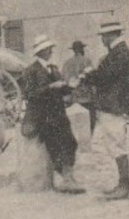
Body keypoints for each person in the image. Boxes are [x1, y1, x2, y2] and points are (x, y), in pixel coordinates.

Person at [22, 35, 84, 194]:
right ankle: (66, 179)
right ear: (40, 51)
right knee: (55, 143)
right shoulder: (31, 71)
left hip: (58, 113)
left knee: (71, 142)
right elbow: (29, 94)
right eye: (47, 49)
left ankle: (69, 176)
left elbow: (61, 89)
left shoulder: (54, 69)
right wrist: (51, 87)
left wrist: (69, 86)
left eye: (50, 48)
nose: (50, 51)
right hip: (42, 116)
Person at [81, 20, 129, 200]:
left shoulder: (119, 53)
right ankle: (123, 185)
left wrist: (89, 75)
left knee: (116, 143)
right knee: (114, 143)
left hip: (114, 105)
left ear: (111, 35)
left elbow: (106, 77)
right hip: (112, 104)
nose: (102, 39)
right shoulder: (116, 52)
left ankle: (124, 186)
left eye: (104, 36)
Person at [61, 40, 96, 133]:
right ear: (82, 49)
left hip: (72, 99)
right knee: (89, 125)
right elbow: (93, 78)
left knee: (74, 125)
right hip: (86, 98)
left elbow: (64, 79)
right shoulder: (87, 61)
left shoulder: (67, 63)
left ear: (73, 50)